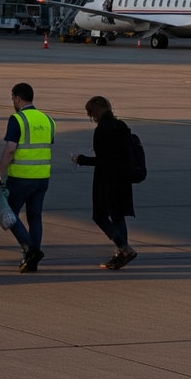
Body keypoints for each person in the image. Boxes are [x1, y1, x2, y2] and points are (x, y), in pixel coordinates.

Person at [0, 81, 53, 273]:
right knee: (35, 217)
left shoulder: (18, 119)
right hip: (42, 178)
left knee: (8, 214)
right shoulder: (48, 119)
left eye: (13, 98)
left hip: (21, 177)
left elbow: (10, 149)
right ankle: (32, 260)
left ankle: (30, 249)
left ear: (17, 98)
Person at [71, 95, 138, 269]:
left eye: (90, 113)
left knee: (99, 216)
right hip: (124, 178)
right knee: (118, 215)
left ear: (95, 112)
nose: (90, 117)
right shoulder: (121, 126)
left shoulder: (102, 130)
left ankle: (124, 248)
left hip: (107, 180)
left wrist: (82, 159)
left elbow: (104, 160)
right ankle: (122, 253)